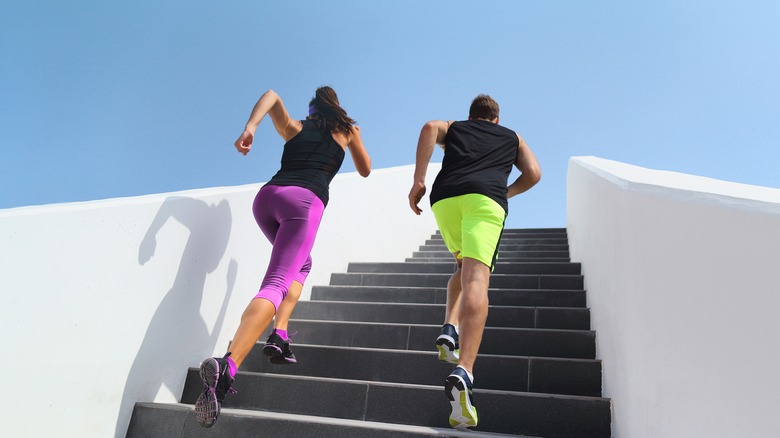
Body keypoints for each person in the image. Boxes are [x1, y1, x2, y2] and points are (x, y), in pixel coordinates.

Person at [195, 86, 371, 428]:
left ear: (312, 109)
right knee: (276, 282)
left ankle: (281, 334)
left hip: (267, 199)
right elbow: (365, 169)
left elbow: (272, 95)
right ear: (337, 109)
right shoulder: (346, 131)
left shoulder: (295, 127)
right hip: (304, 204)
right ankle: (228, 367)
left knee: (301, 264)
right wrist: (355, 137)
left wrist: (251, 128)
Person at [408, 94, 541, 431]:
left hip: (446, 199)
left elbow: (427, 127)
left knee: (462, 268)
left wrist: (418, 181)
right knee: (478, 280)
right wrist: (503, 192)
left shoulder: (455, 128)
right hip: (485, 200)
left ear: (473, 116)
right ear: (496, 119)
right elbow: (535, 173)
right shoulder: (512, 136)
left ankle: (450, 327)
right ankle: (464, 370)